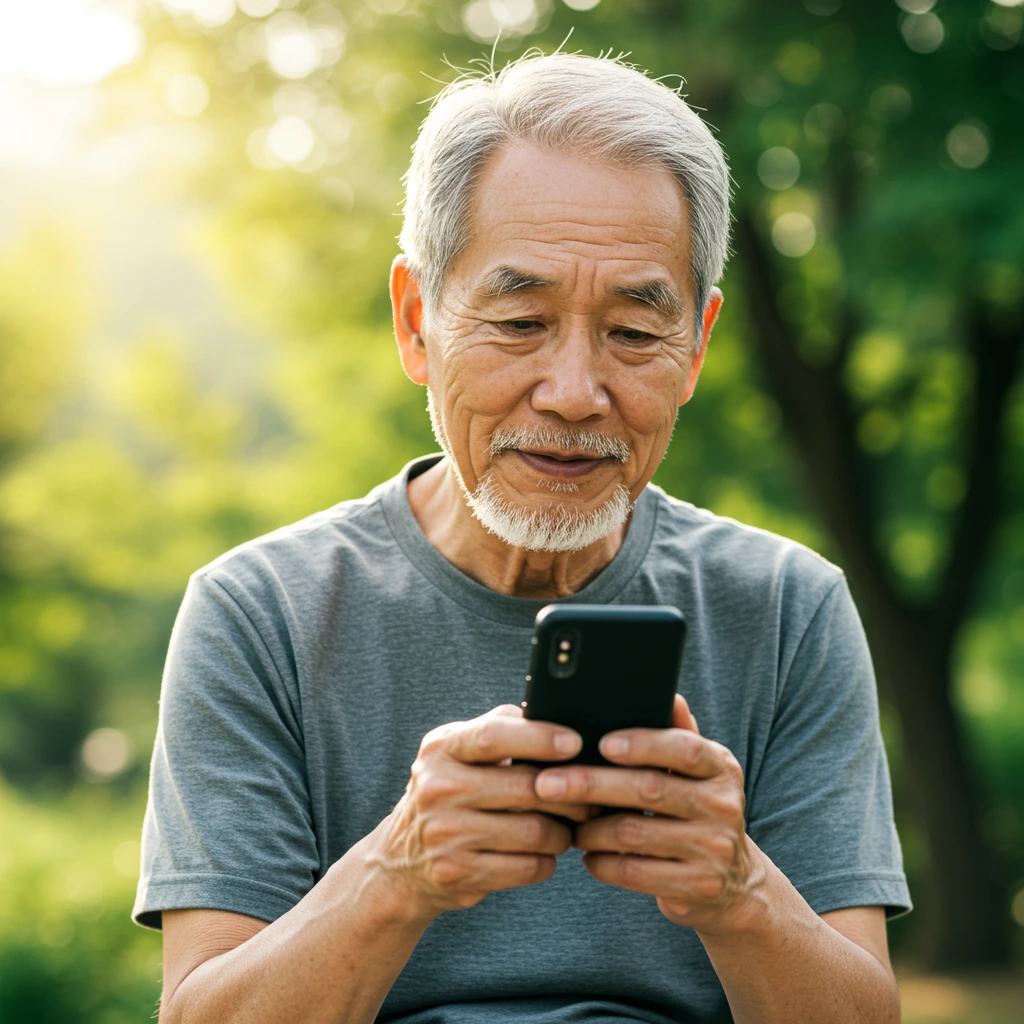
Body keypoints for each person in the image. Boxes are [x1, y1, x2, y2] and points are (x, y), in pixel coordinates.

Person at [133, 51, 911, 1024]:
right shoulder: (261, 612)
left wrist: (736, 892)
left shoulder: (788, 606)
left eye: (633, 334)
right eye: (518, 320)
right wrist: (396, 872)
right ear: (417, 323)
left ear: (697, 349)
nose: (576, 391)